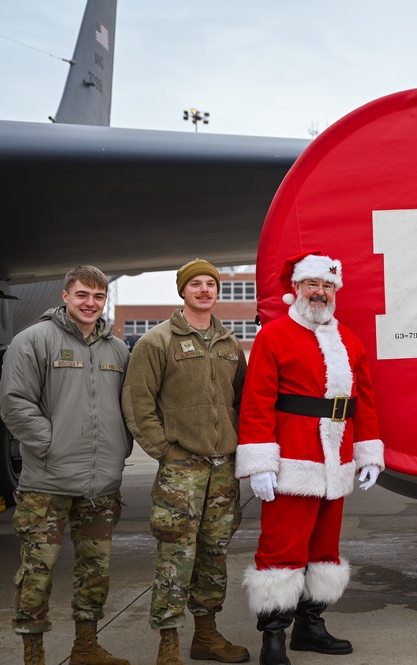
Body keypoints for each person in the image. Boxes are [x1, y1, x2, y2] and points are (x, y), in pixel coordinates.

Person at [235, 250, 385, 665]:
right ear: (296, 289)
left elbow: (364, 401)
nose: (320, 293)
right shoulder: (274, 335)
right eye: (312, 285)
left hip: (335, 461)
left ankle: (310, 626)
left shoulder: (349, 339)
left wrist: (368, 451)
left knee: (324, 548)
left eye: (327, 286)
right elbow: (257, 402)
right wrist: (261, 462)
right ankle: (273, 637)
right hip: (291, 461)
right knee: (282, 549)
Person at [0, 265, 132, 665]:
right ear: (65, 296)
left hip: (101, 486)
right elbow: (15, 404)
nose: (90, 303)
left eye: (98, 296)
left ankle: (86, 647)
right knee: (37, 576)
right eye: (82, 295)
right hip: (47, 485)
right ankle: (33, 655)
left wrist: (120, 448)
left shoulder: (118, 350)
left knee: (95, 574)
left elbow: (128, 408)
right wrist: (52, 445)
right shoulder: (33, 341)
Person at [122, 258, 249, 665]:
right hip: (182, 470)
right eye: (196, 283)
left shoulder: (230, 345)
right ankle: (169, 644)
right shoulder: (157, 342)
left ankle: (207, 636)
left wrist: (238, 446)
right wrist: (165, 450)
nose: (205, 290)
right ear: (183, 291)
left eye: (211, 283)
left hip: (223, 470)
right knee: (176, 556)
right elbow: (138, 404)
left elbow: (244, 402)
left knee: (214, 554)